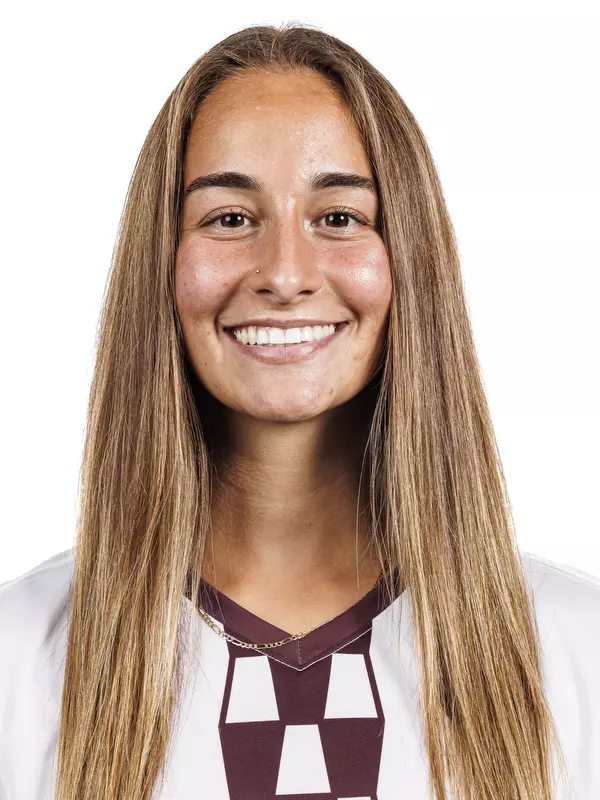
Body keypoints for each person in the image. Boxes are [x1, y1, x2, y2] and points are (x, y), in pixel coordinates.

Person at [1, 22, 599, 800]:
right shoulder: (21, 658)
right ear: (163, 261)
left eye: (339, 217)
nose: (285, 274)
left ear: (408, 258)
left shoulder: (574, 649)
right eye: (230, 218)